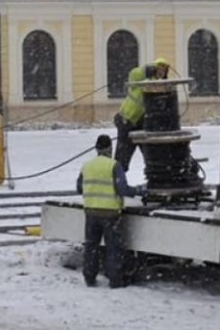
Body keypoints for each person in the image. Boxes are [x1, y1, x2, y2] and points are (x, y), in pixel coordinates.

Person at [76, 134, 144, 288]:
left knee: (91, 247)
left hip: (91, 212)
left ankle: (89, 277)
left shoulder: (86, 166)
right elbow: (122, 189)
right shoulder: (114, 166)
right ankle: (115, 280)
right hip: (110, 214)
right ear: (110, 149)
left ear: (96, 149)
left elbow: (79, 187)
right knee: (113, 248)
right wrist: (139, 190)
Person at [114, 57, 170, 171]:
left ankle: (154, 174)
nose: (161, 72)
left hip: (141, 124)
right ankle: (118, 179)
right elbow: (133, 75)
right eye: (159, 69)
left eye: (164, 70)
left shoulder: (161, 85)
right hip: (126, 120)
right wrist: (146, 71)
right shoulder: (142, 79)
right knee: (122, 157)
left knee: (150, 155)